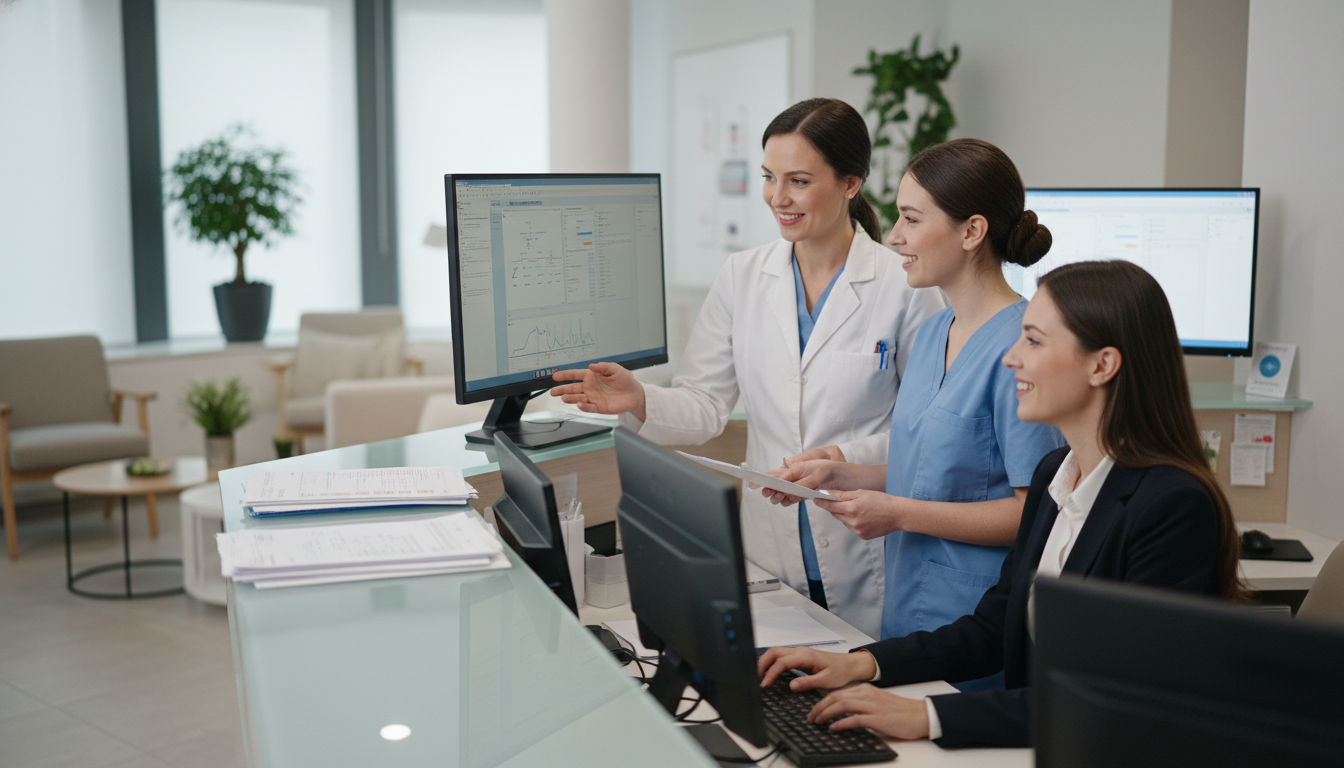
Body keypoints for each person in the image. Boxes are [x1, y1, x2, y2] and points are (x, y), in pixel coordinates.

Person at [757, 259, 1247, 748]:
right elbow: (992, 628)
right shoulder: (1056, 473)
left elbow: (1119, 698)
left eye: (1033, 341)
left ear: (1102, 365)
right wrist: (861, 663)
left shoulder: (1173, 506)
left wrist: (926, 716)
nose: (1011, 357)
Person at [550, 98, 944, 638]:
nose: (777, 198)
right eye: (768, 177)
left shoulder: (904, 286)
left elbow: (926, 434)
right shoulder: (742, 275)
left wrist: (843, 459)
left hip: (866, 550)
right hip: (769, 548)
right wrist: (639, 398)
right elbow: (706, 404)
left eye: (799, 181)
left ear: (851, 183)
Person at [764, 139, 1063, 689]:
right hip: (908, 617)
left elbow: (1034, 515)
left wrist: (897, 513)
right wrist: (841, 475)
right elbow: (935, 472)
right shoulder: (931, 334)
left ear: (971, 232)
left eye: (910, 219)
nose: (894, 236)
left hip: (977, 634)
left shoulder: (1022, 350)